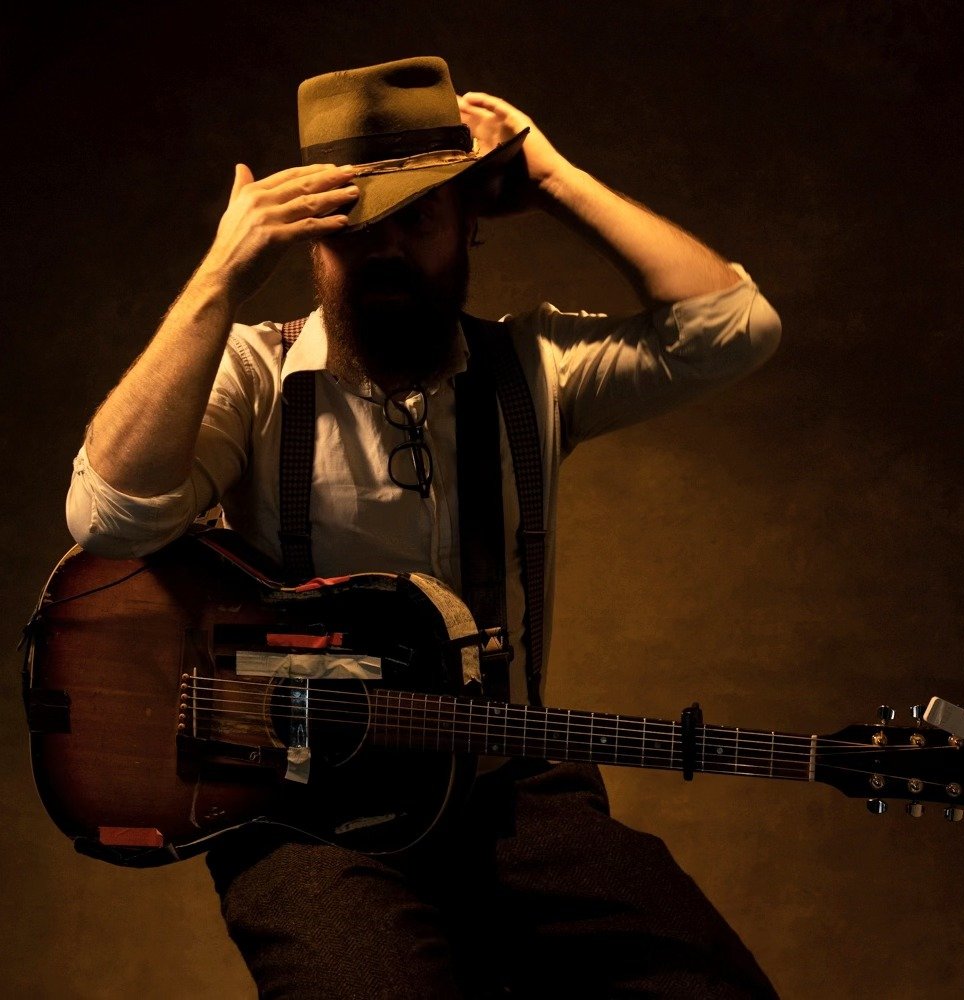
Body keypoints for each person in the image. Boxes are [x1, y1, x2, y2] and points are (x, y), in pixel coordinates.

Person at [67, 57, 781, 999]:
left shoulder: (536, 369)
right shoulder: (251, 374)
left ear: (470, 219)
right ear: (310, 241)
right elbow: (109, 518)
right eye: (352, 225)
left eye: (417, 216)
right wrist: (218, 278)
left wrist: (555, 178)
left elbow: (734, 330)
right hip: (306, 818)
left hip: (507, 788)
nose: (386, 249)